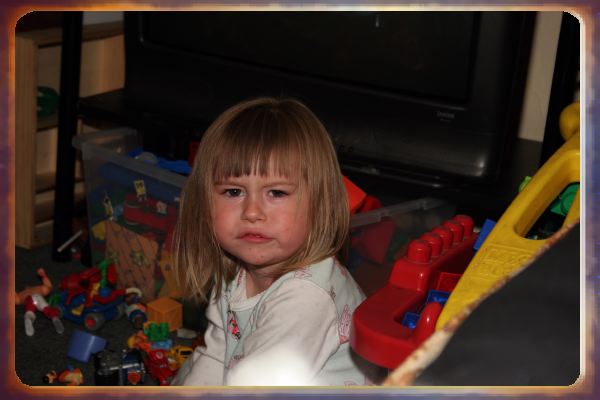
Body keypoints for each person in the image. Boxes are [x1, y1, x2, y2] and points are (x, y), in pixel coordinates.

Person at [172, 97, 374, 386]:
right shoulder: (235, 271)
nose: (252, 212)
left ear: (320, 204)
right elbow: (217, 355)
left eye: (276, 193)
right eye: (233, 192)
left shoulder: (305, 300)